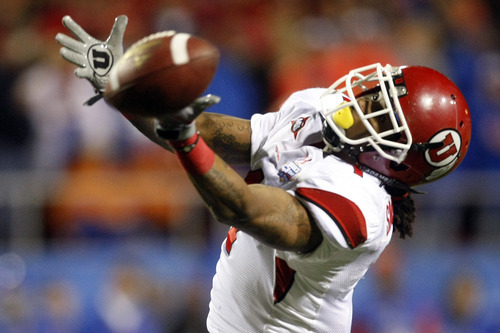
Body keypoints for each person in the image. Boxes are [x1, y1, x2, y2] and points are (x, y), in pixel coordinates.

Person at [56, 15, 472, 332]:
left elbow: (241, 207)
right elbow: (206, 131)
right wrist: (125, 86)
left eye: (384, 116)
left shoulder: (362, 209)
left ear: (401, 157)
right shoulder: (319, 112)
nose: (364, 103)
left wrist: (183, 136)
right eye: (377, 93)